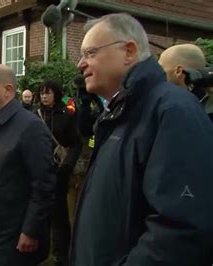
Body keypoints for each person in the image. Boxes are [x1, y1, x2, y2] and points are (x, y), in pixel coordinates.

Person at [72, 13, 213, 266]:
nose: (80, 64)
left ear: (129, 51)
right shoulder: (117, 113)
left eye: (90, 52)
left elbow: (181, 228)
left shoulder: (172, 111)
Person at [0, 64, 57, 265]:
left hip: (13, 242)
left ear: (8, 91)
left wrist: (30, 231)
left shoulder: (31, 127)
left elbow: (44, 185)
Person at [36, 80, 82, 266]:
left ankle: (61, 253)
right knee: (39, 211)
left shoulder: (66, 115)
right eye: (41, 93)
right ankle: (40, 249)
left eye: (47, 93)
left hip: (58, 173)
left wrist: (68, 165)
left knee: (59, 215)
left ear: (56, 94)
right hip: (39, 172)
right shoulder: (35, 115)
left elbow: (77, 143)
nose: (44, 96)